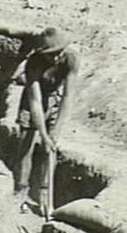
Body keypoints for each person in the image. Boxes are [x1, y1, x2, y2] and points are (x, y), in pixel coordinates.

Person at [13, 27, 80, 217]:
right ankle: (21, 190)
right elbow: (34, 100)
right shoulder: (33, 63)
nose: (55, 58)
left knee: (50, 149)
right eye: (50, 55)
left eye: (58, 53)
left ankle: (44, 194)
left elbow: (68, 95)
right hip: (32, 100)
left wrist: (54, 132)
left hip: (54, 100)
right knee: (26, 144)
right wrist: (42, 133)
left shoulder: (71, 59)